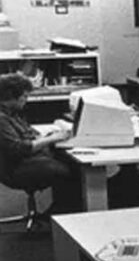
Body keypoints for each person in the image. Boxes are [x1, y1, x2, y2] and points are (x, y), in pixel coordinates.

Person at [0, 73, 79, 212]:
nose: (26, 100)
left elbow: (26, 134)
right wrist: (51, 139)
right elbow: (18, 149)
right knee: (69, 170)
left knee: (68, 162)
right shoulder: (2, 119)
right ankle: (61, 213)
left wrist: (44, 137)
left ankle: (58, 210)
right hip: (13, 168)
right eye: (24, 96)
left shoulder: (11, 113)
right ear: (12, 97)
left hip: (19, 161)